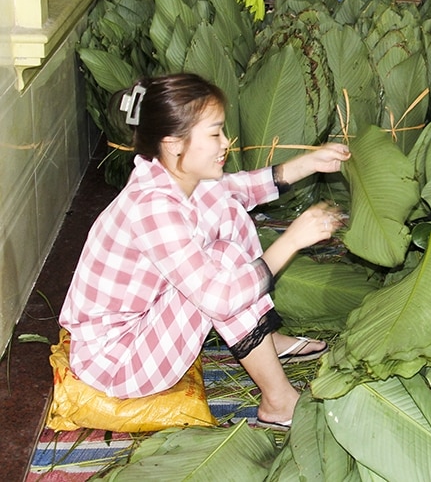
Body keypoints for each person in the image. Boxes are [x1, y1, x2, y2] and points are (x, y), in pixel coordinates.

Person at [58, 73, 350, 430]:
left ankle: (264, 339)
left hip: (143, 324)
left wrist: (306, 163)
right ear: (172, 144)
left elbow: (234, 190)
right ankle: (279, 403)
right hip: (119, 360)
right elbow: (221, 298)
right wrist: (292, 239)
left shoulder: (165, 175)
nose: (225, 142)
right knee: (223, 266)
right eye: (214, 134)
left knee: (222, 205)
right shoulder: (153, 209)